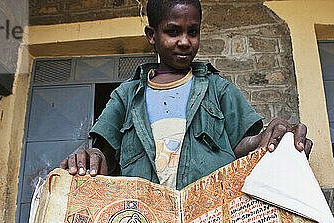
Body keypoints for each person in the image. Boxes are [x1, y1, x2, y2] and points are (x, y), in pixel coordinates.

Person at [60, 0, 312, 190]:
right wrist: (93, 157)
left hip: (209, 217)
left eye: (192, 31)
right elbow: (106, 156)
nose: (184, 41)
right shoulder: (126, 95)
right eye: (173, 32)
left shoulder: (218, 88)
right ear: (152, 36)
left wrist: (271, 137)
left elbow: (242, 147)